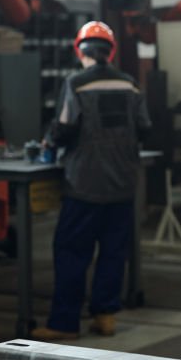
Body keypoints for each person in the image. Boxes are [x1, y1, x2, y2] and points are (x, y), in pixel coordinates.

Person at [31, 21, 151, 341]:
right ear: (110, 51)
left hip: (84, 184)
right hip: (123, 183)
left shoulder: (76, 83)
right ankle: (105, 316)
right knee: (113, 250)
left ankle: (64, 321)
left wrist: (47, 144)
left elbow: (64, 128)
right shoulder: (130, 85)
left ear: (79, 50)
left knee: (71, 251)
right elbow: (145, 127)